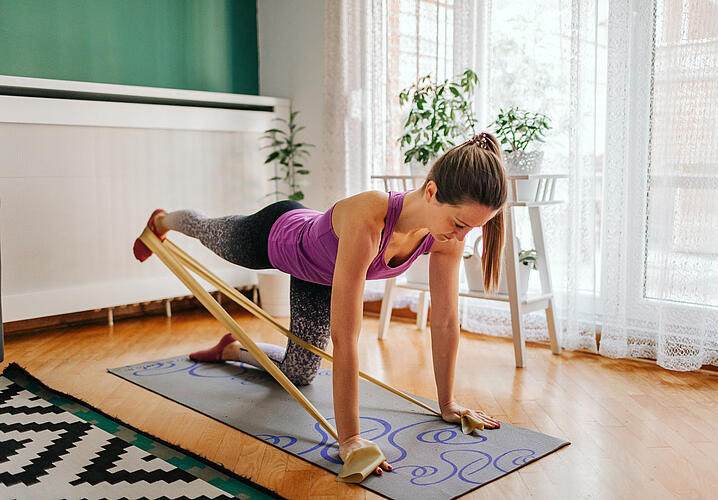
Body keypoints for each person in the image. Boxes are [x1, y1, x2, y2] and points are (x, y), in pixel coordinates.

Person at [133, 131, 508, 477]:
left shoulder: (447, 237)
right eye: (460, 224)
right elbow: (346, 337)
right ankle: (164, 220)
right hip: (274, 235)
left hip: (318, 277)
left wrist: (448, 404)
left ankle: (231, 348)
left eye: (473, 229)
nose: (462, 236)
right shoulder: (370, 218)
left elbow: (444, 322)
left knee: (299, 374)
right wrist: (350, 439)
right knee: (208, 230)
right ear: (431, 192)